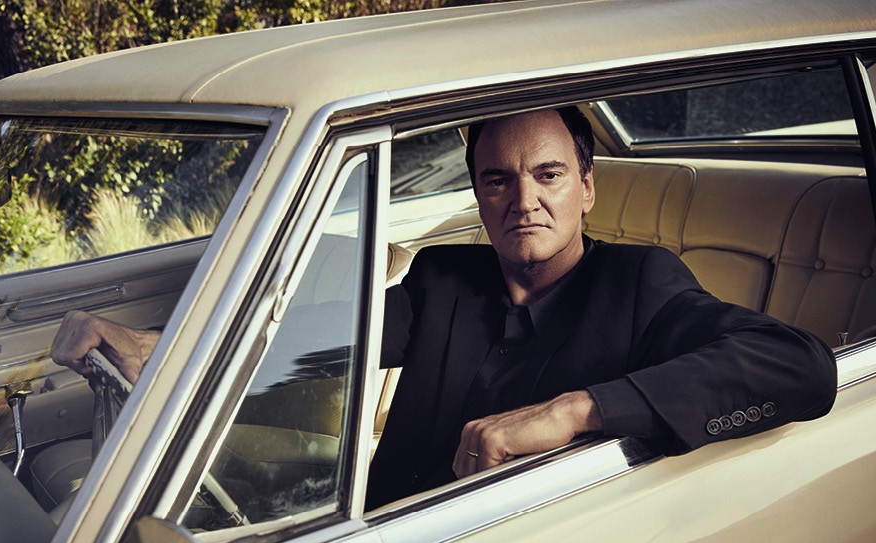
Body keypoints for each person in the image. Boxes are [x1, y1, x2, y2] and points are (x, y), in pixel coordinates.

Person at [52, 107, 838, 510]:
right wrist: (160, 345)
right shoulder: (444, 279)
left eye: (549, 175)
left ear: (587, 187)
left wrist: (573, 412)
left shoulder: (641, 283)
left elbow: (799, 366)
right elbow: (329, 337)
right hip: (385, 526)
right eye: (498, 180)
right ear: (480, 194)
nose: (524, 200)